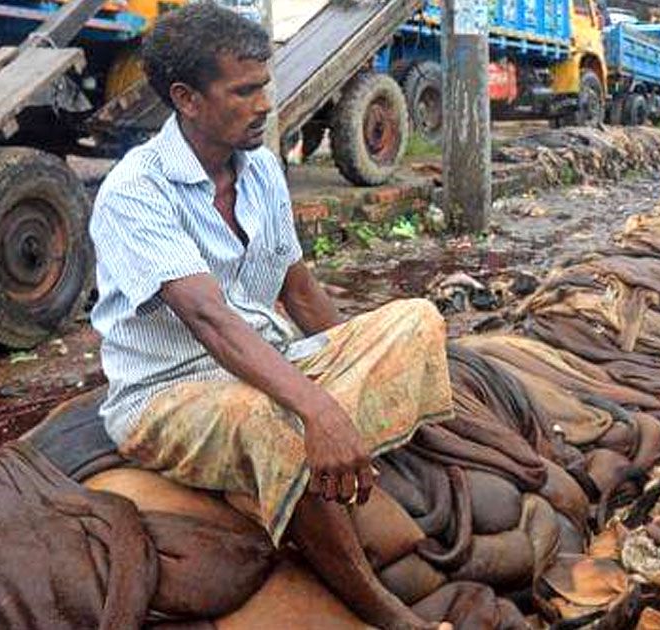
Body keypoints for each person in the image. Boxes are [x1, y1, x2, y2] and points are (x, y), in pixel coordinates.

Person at [88, 4, 452, 629]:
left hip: (273, 358)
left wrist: (343, 361)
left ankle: (316, 462)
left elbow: (300, 289)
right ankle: (381, 608)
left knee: (416, 318)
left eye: (266, 85)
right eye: (246, 90)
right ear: (187, 99)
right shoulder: (134, 191)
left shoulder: (259, 169)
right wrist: (318, 407)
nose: (264, 103)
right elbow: (208, 319)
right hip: (172, 391)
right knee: (274, 419)